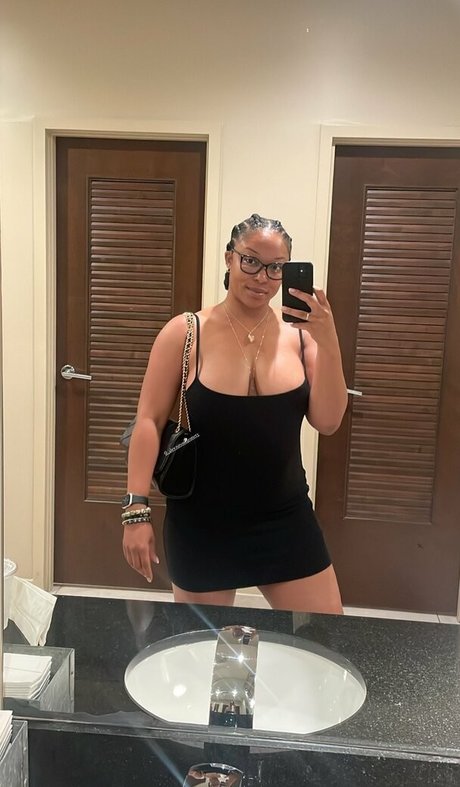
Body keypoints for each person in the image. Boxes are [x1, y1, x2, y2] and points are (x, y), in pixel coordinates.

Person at [122, 213, 347, 613]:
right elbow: (148, 421)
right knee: (204, 647)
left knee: (325, 637)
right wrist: (136, 511)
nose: (262, 277)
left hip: (285, 518)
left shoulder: (303, 337)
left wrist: (328, 341)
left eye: (276, 267)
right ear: (229, 258)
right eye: (251, 261)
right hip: (201, 524)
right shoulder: (185, 332)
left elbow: (328, 422)